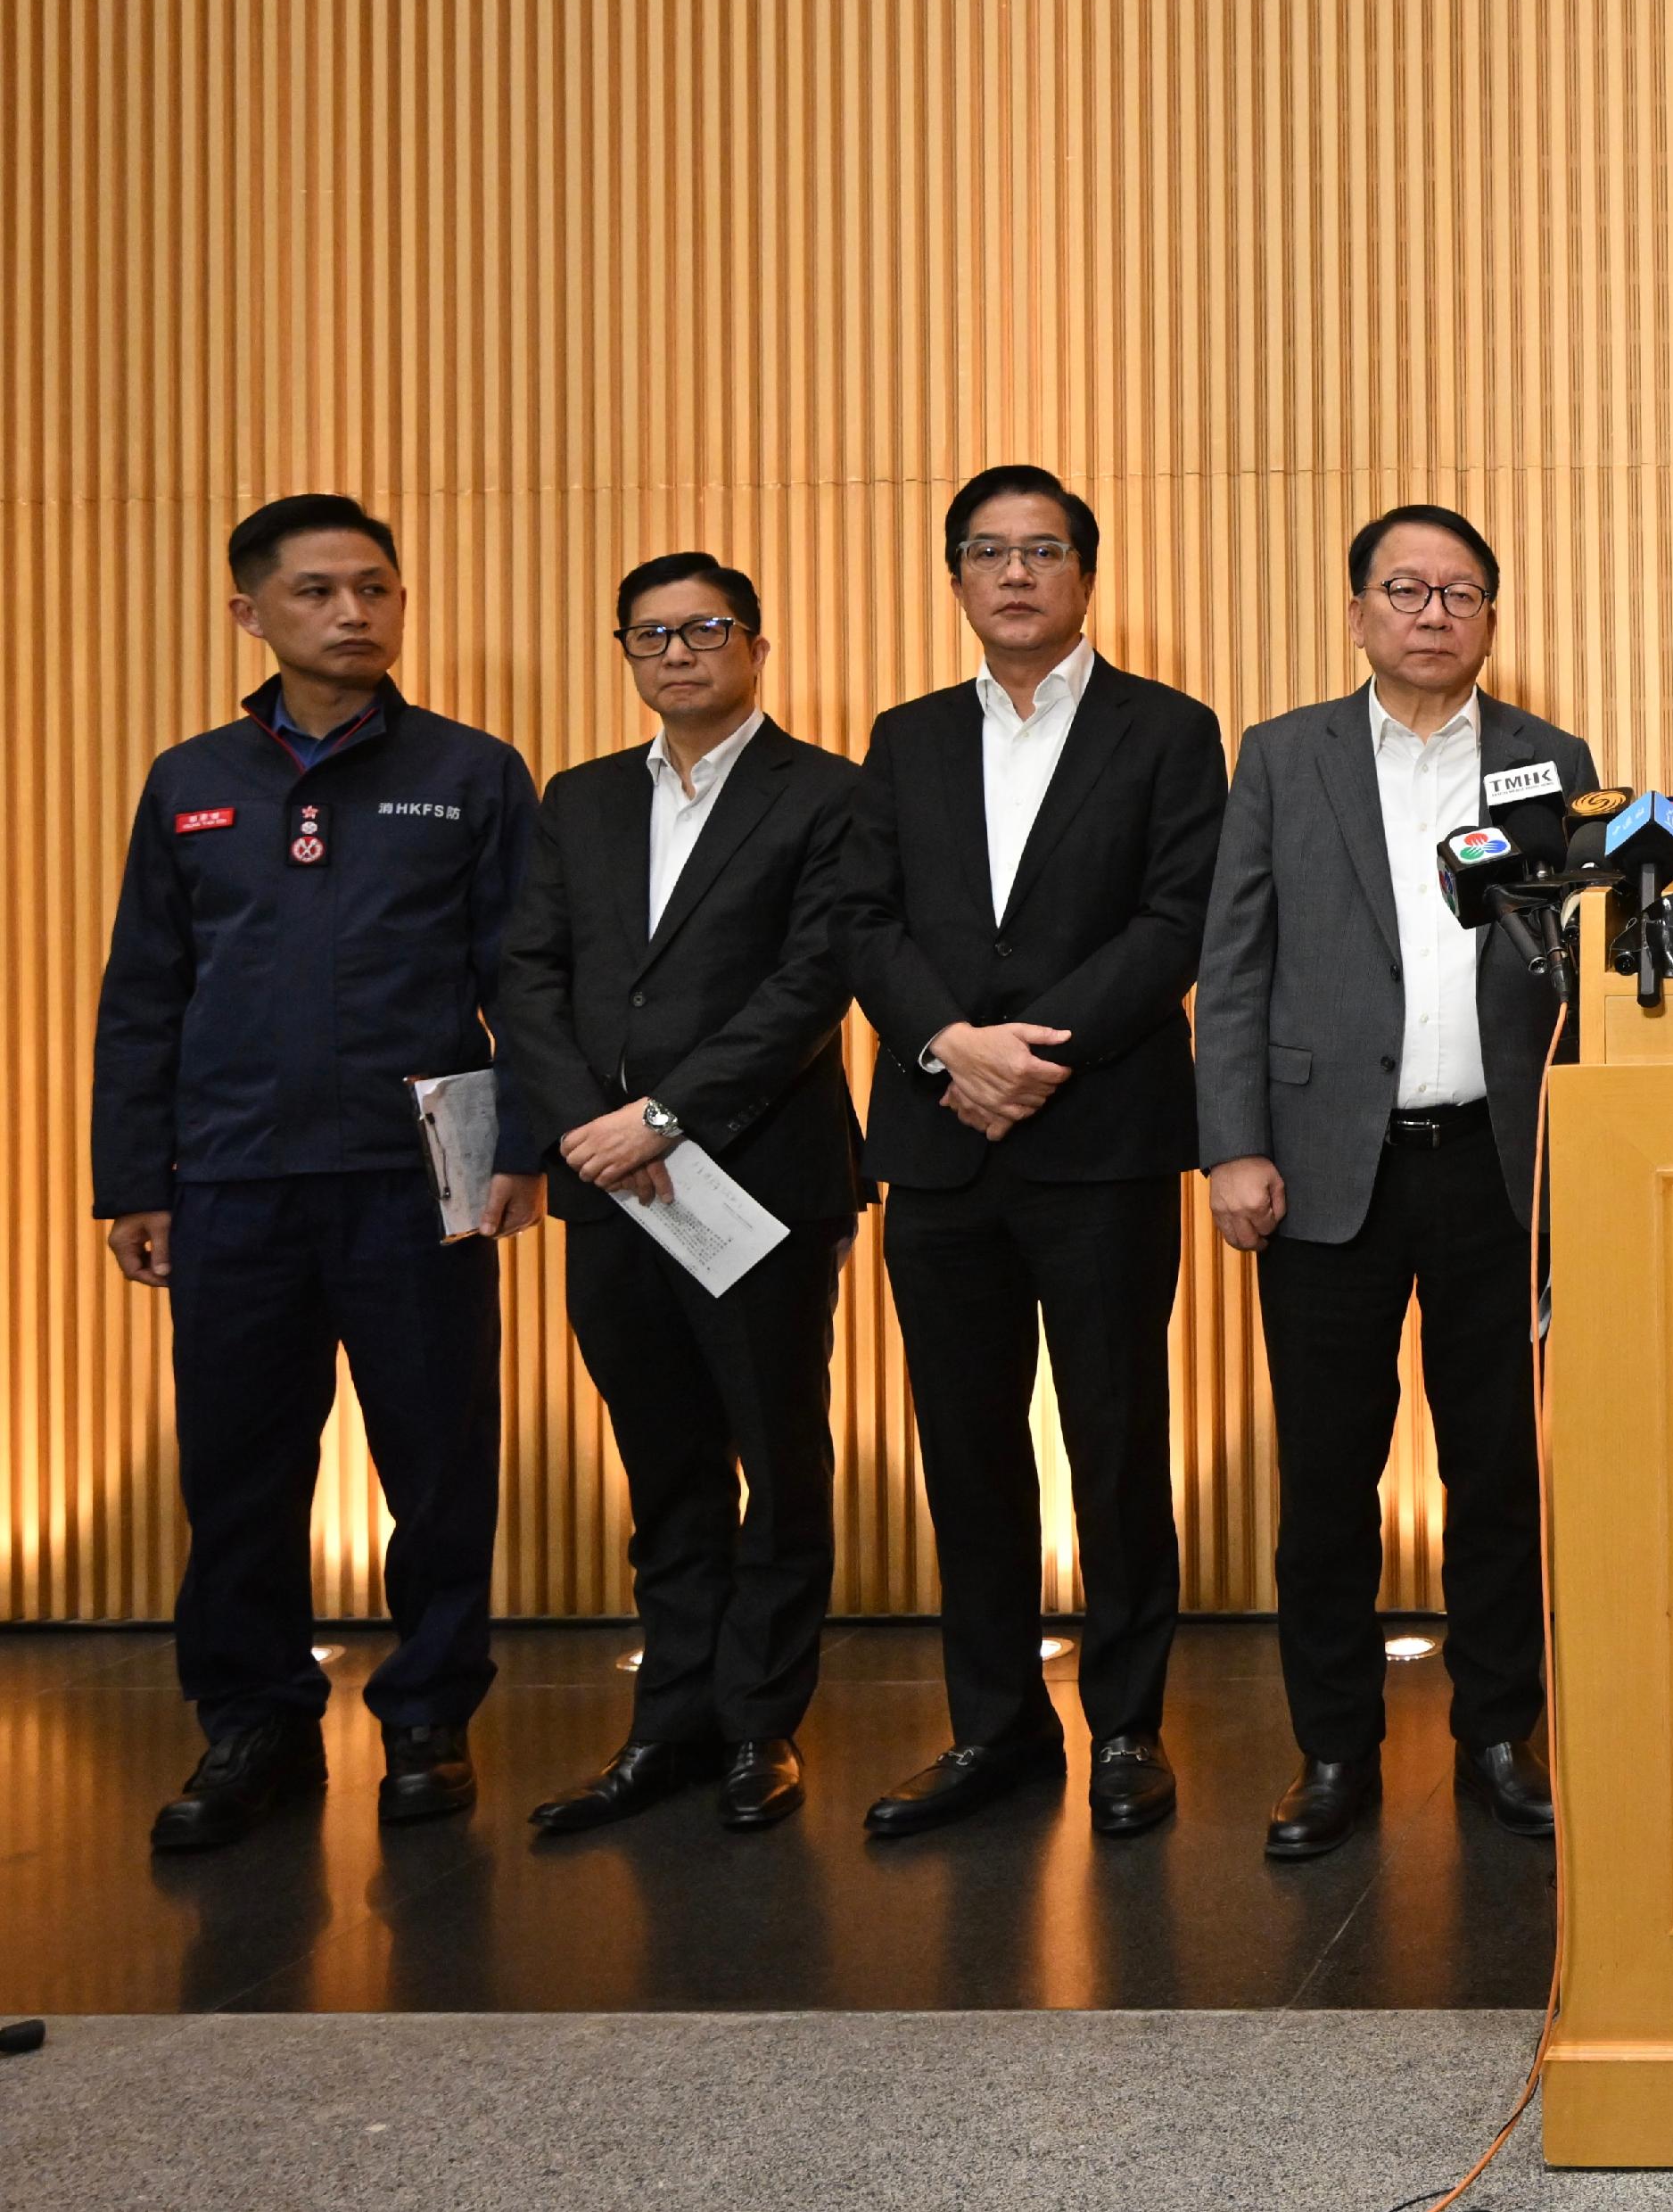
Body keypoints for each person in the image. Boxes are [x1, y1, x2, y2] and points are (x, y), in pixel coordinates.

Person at [93, 493, 542, 1851]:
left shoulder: (470, 771)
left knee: (440, 1456)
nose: (355, 613)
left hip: (418, 1177)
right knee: (239, 1463)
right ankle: (253, 1721)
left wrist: (521, 1147)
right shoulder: (189, 780)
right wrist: (134, 1178)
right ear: (250, 612)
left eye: (377, 589)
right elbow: (143, 993)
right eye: (319, 592)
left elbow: (521, 976)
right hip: (232, 1178)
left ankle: (428, 1717)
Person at [1197, 504, 1597, 1859]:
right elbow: (1234, 963)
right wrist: (1233, 1143)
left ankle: (1498, 1730)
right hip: (1320, 1166)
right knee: (1327, 1475)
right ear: (1357, 609)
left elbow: (1576, 981)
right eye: (1405, 589)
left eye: (1461, 592)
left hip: (1501, 1166)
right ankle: (1331, 1747)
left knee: (1498, 1470)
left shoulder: (1551, 760)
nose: (1433, 612)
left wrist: (1585, 1158)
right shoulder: (1281, 756)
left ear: (1492, 616)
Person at [837, 466, 1227, 1839]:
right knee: (966, 1445)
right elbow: (865, 919)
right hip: (941, 1144)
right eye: (988, 553)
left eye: (1044, 550)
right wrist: (953, 1043)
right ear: (955, 580)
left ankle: (1127, 1725)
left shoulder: (1169, 729)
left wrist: (1026, 1053)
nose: (1016, 573)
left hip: (1103, 1135)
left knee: (1116, 1439)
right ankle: (991, 1727)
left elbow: (1176, 924)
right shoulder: (905, 735)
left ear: (1085, 574)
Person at [499, 553, 867, 1834]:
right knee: (663, 1463)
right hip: (610, 1184)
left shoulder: (826, 791)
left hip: (758, 1175)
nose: (678, 653)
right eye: (650, 635)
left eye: (705, 628)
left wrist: (668, 1112)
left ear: (754, 643)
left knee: (777, 1450)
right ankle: (670, 1721)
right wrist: (589, 1130)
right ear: (627, 653)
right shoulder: (582, 796)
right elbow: (529, 974)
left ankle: (762, 1721)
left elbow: (813, 980)